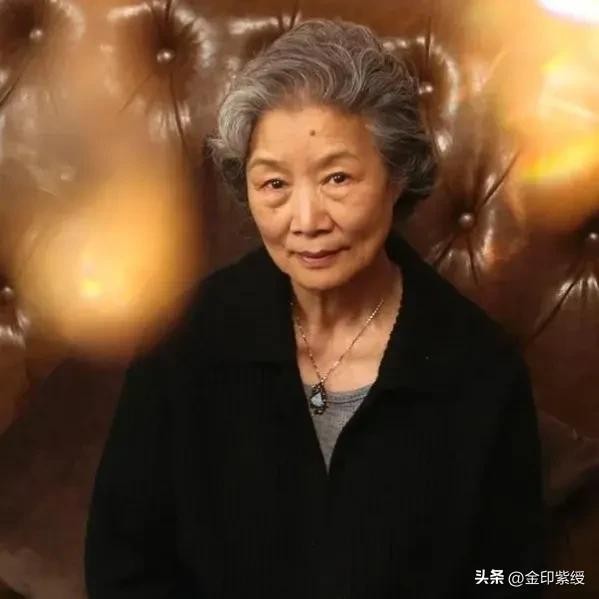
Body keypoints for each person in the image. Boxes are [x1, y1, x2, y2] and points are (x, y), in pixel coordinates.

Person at [85, 18, 546, 598]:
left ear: (396, 176)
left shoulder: (480, 367)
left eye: (337, 178)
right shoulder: (183, 339)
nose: (305, 221)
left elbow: (519, 578)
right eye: (274, 185)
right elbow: (122, 566)